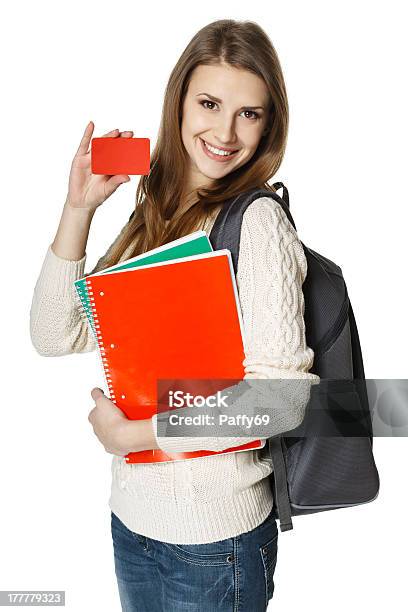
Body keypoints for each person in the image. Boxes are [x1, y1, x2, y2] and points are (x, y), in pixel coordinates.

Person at [30, 19, 319, 612]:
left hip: (216, 542)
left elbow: (283, 400)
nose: (225, 132)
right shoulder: (158, 209)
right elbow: (54, 333)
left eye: (249, 113)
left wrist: (135, 435)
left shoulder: (258, 224)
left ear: (270, 124)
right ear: (179, 102)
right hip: (134, 525)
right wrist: (77, 208)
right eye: (210, 103)